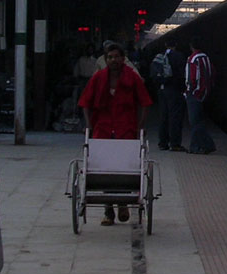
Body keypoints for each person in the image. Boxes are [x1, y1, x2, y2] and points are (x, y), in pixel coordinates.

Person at [78, 41, 153, 225]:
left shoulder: (132, 78)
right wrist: (89, 126)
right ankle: (108, 210)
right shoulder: (98, 78)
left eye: (117, 57)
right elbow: (85, 103)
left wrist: (140, 127)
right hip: (102, 129)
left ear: (123, 58)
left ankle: (122, 204)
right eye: (110, 57)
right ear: (105, 59)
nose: (113, 60)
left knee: (124, 167)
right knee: (103, 168)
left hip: (125, 128)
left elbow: (145, 103)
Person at [154, 39, 188, 151]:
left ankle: (163, 143)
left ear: (165, 45)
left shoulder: (160, 56)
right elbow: (182, 74)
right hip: (174, 90)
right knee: (175, 117)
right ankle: (175, 144)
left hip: (162, 90)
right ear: (176, 44)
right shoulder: (179, 56)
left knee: (163, 116)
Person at [185, 37, 215, 154]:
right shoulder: (206, 58)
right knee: (199, 121)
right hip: (204, 93)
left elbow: (192, 78)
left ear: (191, 46)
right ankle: (207, 145)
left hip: (194, 94)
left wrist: (189, 91)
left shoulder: (192, 59)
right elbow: (212, 74)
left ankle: (196, 146)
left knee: (194, 122)